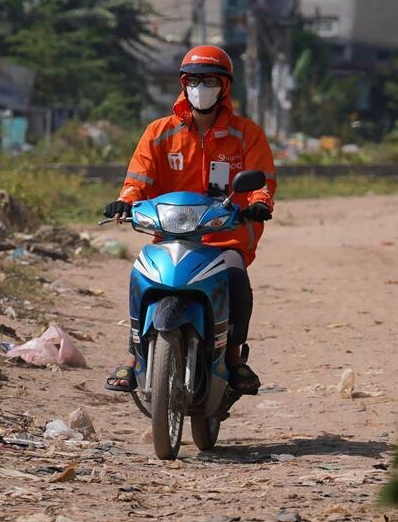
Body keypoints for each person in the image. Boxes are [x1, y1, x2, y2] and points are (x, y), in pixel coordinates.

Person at [102, 44, 275, 394]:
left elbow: (263, 180)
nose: (201, 87)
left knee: (235, 277)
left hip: (223, 238)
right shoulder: (159, 132)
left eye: (210, 80)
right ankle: (134, 356)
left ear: (224, 86)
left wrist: (259, 203)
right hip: (170, 237)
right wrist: (125, 201)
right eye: (194, 80)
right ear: (183, 84)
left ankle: (234, 359)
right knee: (142, 276)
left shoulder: (246, 134)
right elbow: (138, 178)